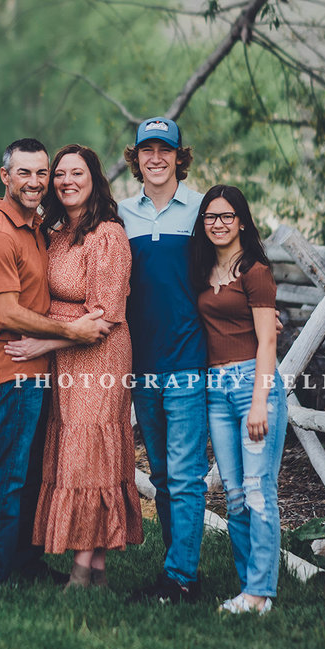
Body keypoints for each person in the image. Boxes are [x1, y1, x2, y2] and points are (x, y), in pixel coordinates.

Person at [0, 138, 110, 585]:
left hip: (40, 368)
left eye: (41, 173)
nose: (35, 182)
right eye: (24, 173)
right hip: (15, 366)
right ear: (5, 176)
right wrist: (72, 332)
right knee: (10, 472)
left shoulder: (34, 227)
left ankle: (24, 562)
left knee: (30, 472)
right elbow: (7, 313)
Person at [4, 145, 144, 589]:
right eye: (60, 174)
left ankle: (82, 570)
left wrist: (43, 341)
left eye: (76, 173)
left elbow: (104, 317)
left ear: (94, 179)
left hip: (99, 356)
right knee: (80, 452)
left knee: (90, 454)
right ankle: (96, 569)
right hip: (66, 357)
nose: (66, 181)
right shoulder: (58, 232)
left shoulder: (108, 235)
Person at [117, 117, 210, 603]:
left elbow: (235, 265)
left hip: (188, 360)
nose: (156, 158)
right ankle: (180, 569)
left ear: (179, 156)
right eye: (147, 150)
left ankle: (180, 577)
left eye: (165, 150)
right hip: (142, 363)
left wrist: (262, 312)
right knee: (162, 476)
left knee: (186, 474)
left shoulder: (201, 210)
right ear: (136, 158)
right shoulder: (120, 215)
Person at [191, 185, 286, 615]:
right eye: (211, 216)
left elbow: (268, 340)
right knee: (234, 495)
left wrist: (260, 401)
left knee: (258, 490)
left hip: (252, 386)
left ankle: (260, 593)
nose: (218, 224)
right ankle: (249, 587)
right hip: (216, 390)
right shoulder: (201, 270)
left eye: (227, 216)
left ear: (242, 222)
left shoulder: (255, 271)